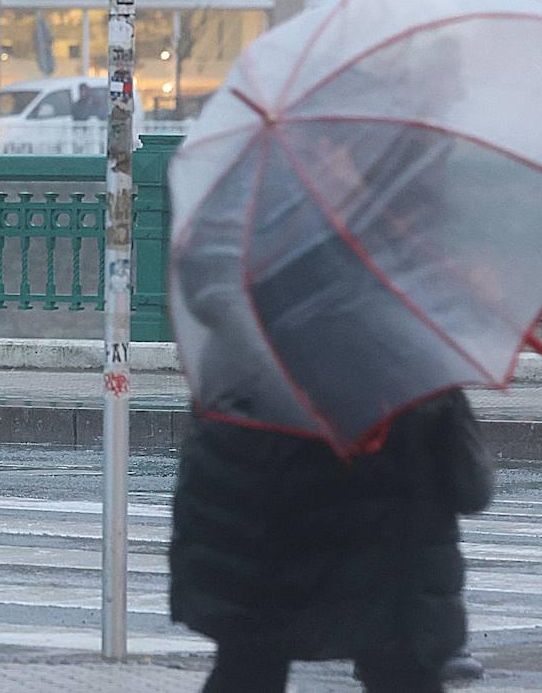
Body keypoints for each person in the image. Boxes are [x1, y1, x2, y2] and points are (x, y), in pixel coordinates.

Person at [170, 125, 495, 692]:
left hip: (385, 473)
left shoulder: (397, 213)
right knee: (254, 653)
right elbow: (219, 295)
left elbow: (431, 326)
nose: (339, 157)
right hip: (275, 465)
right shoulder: (255, 215)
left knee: (399, 655)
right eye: (329, 144)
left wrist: (462, 296)